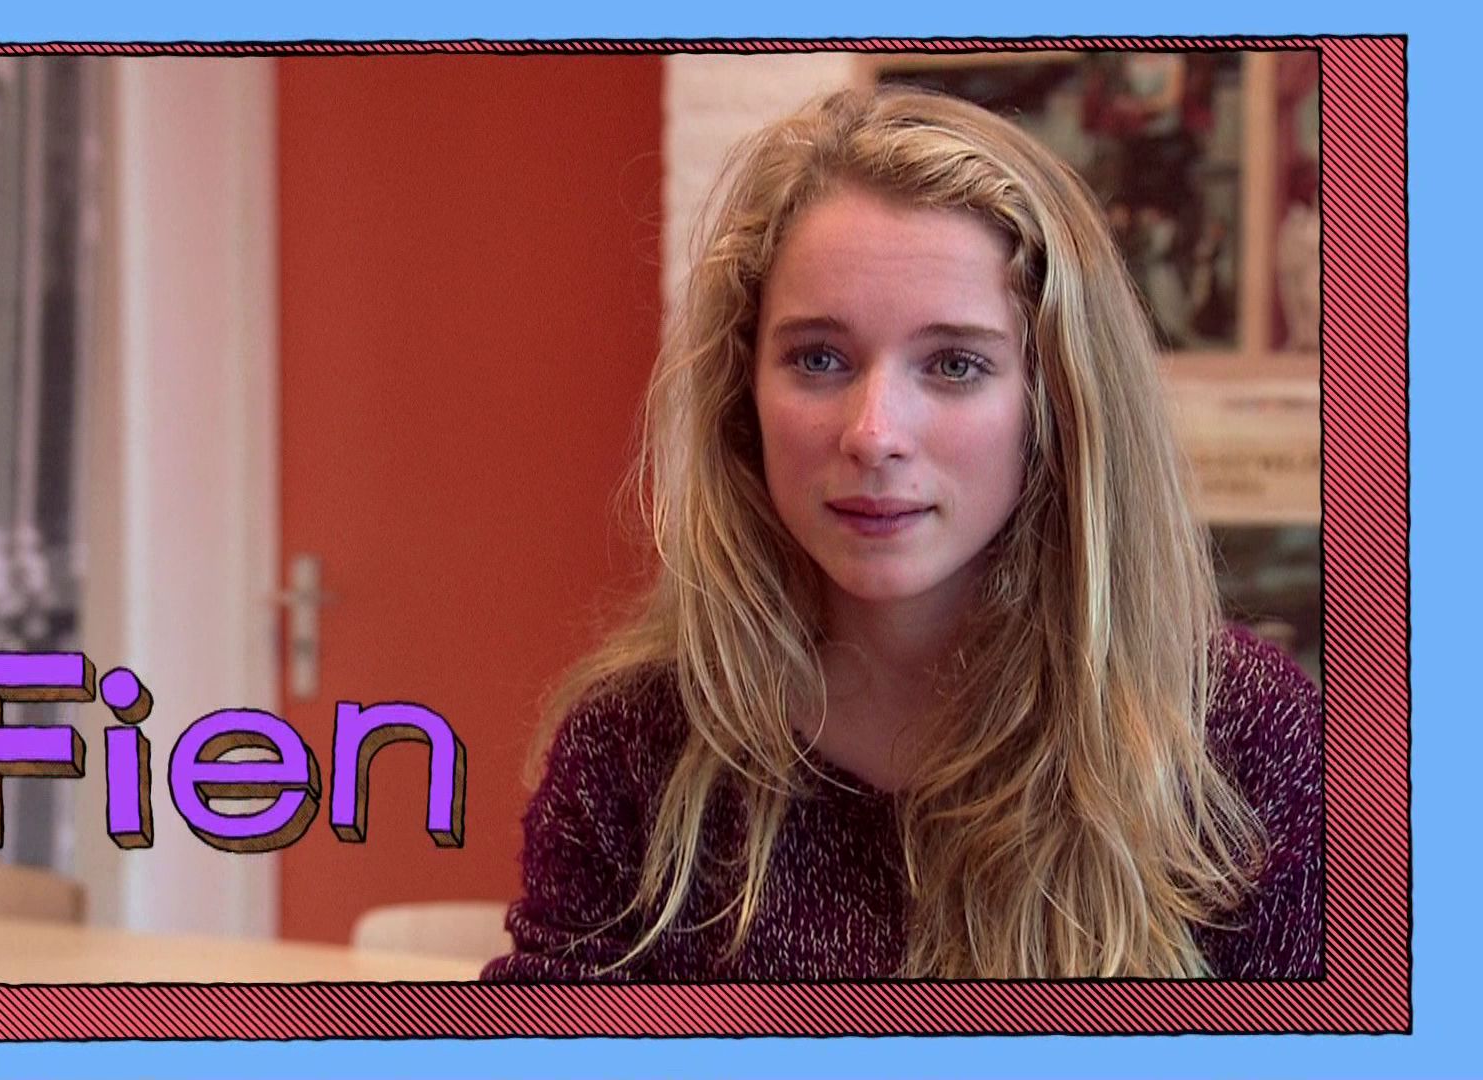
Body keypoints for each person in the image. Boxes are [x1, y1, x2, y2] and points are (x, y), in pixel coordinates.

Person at [480, 86, 1322, 981]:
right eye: (819, 358)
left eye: (954, 364)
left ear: (1056, 403)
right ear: (743, 391)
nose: (874, 432)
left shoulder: (1239, 738)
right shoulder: (637, 745)